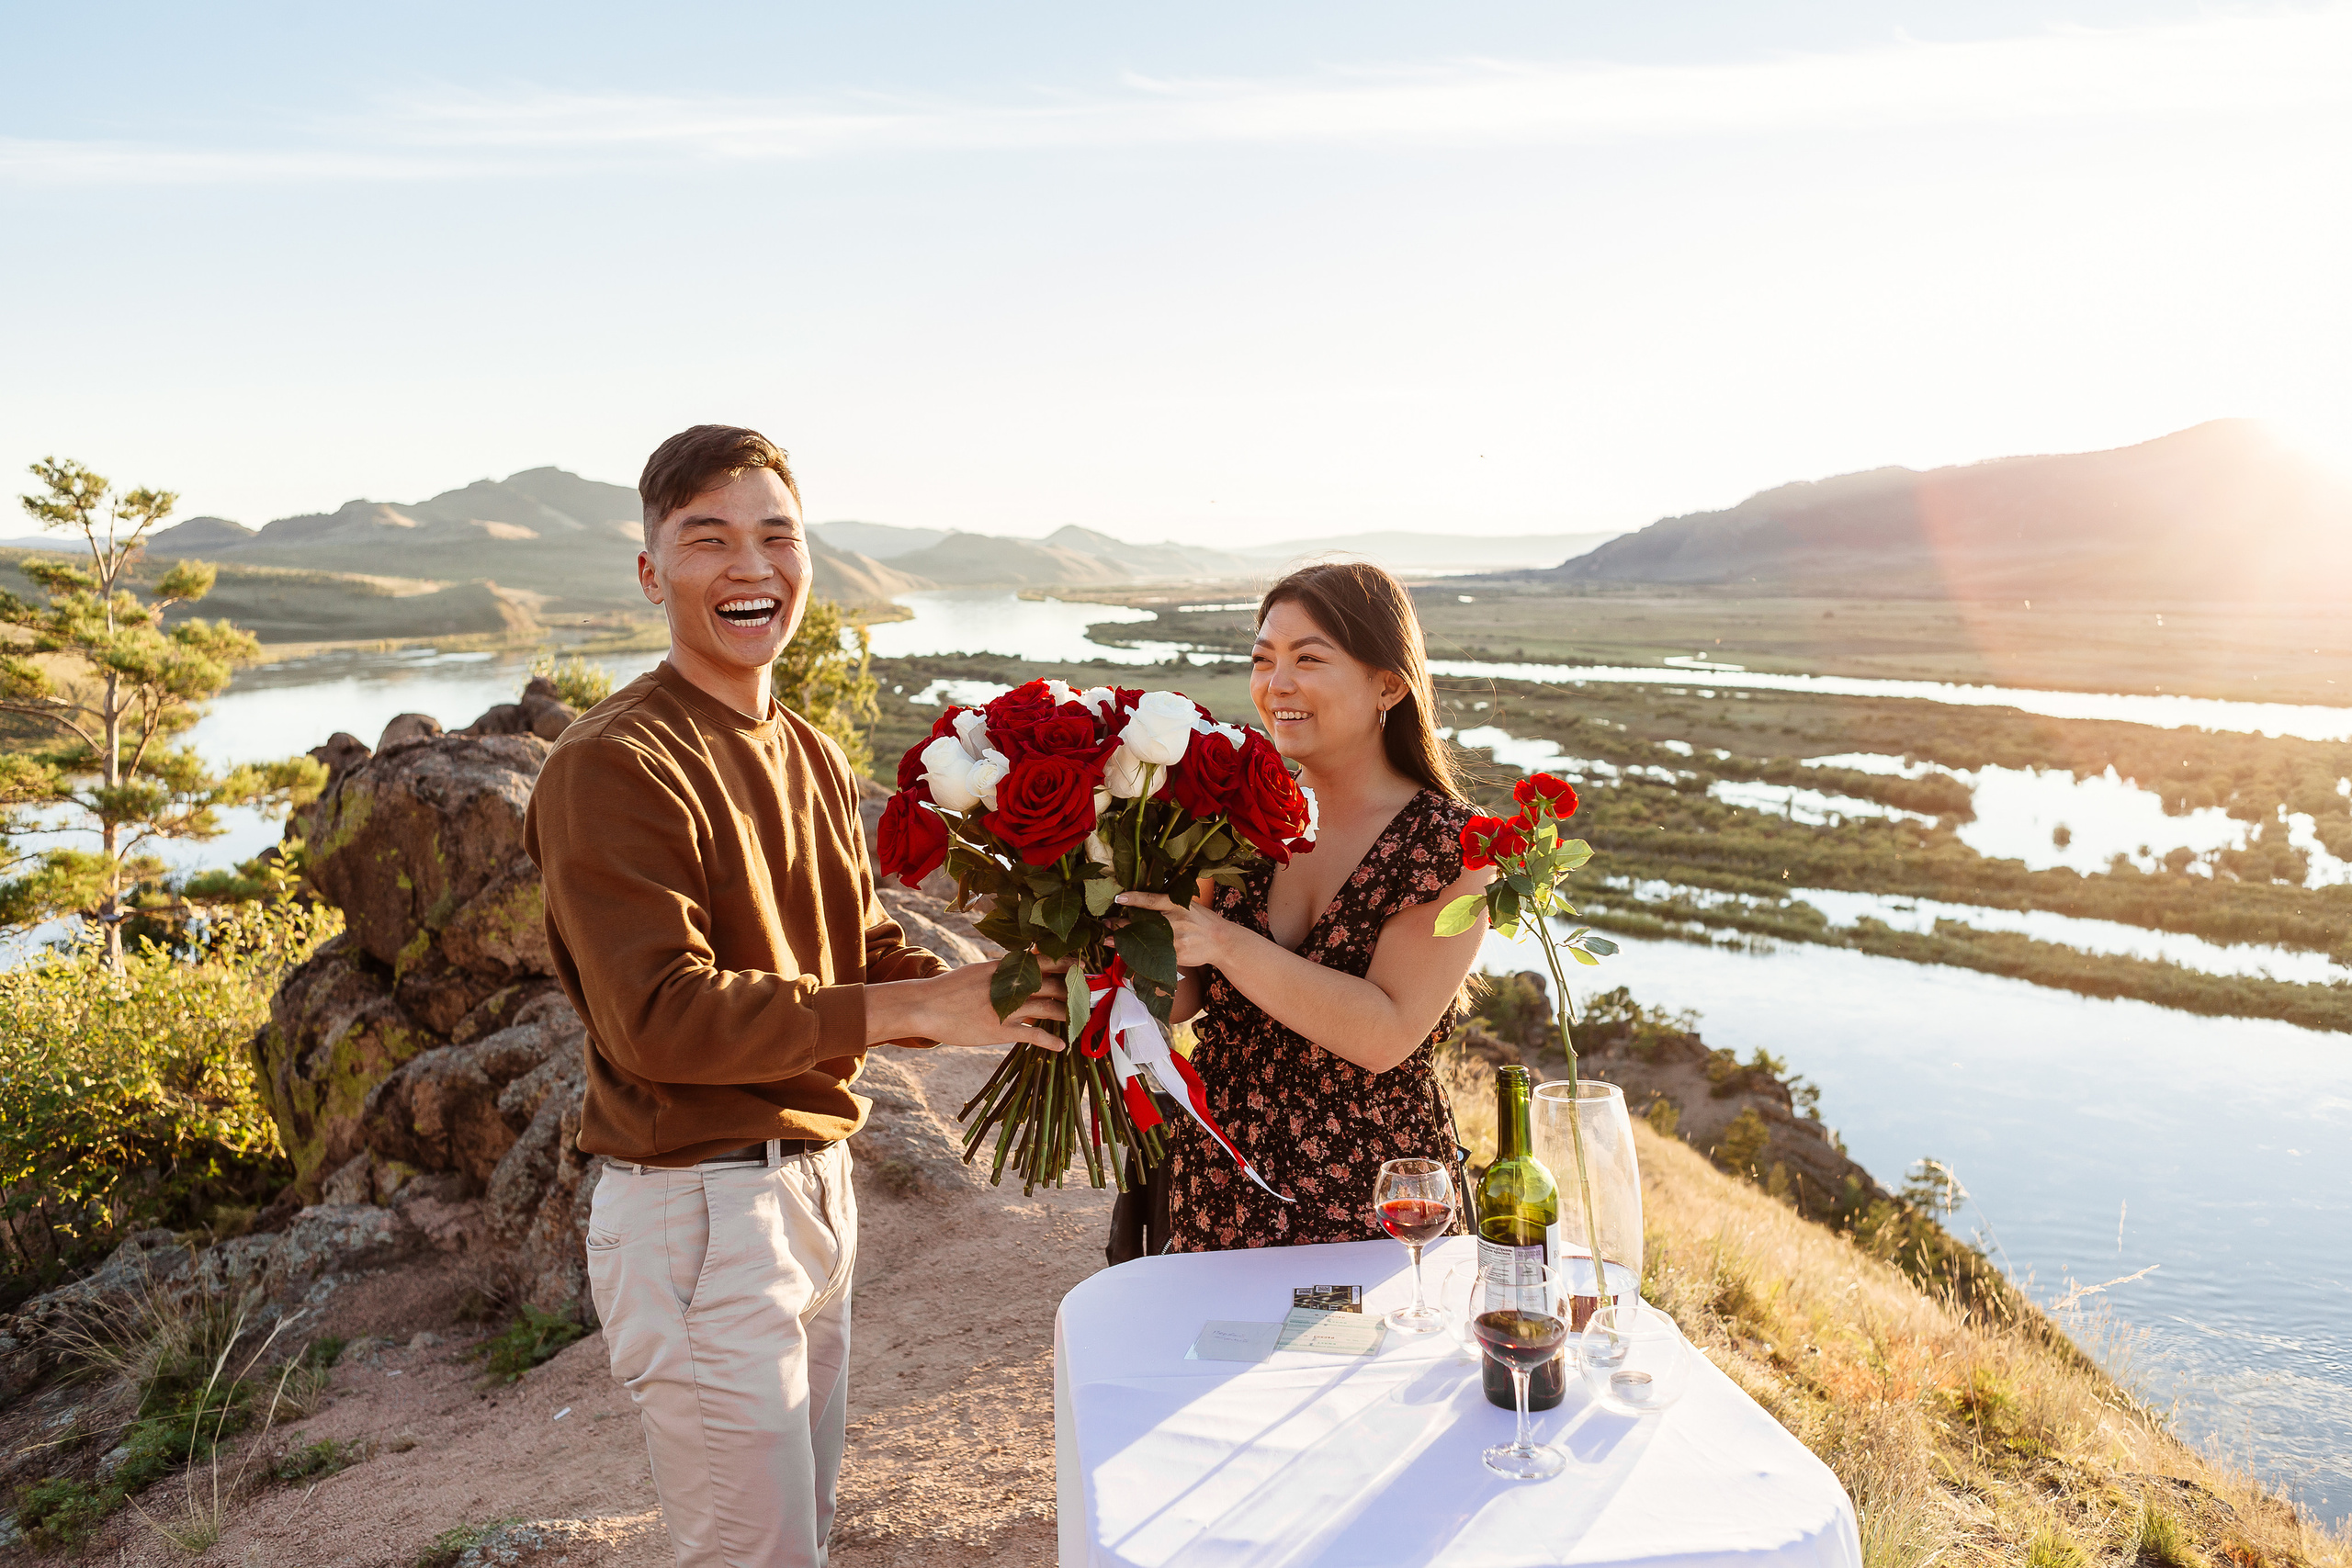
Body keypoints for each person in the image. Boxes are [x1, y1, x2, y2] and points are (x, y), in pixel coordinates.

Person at [523, 425, 1069, 1568]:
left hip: (814, 1187)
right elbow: (658, 1017)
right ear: (649, 571)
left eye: (777, 536)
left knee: (798, 1540)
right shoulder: (613, 763)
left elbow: (858, 943)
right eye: (706, 540)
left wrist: (1020, 993)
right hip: (700, 1208)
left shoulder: (808, 749)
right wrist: (918, 1013)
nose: (750, 567)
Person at [1114, 560, 1489, 1252]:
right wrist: (1115, 933)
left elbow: (1384, 1033)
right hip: (1221, 1181)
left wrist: (1224, 940)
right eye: (1263, 659)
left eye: (1307, 659)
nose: (1275, 684)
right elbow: (1185, 996)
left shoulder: (1450, 847)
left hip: (1377, 1204)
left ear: (1390, 684)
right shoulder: (1234, 816)